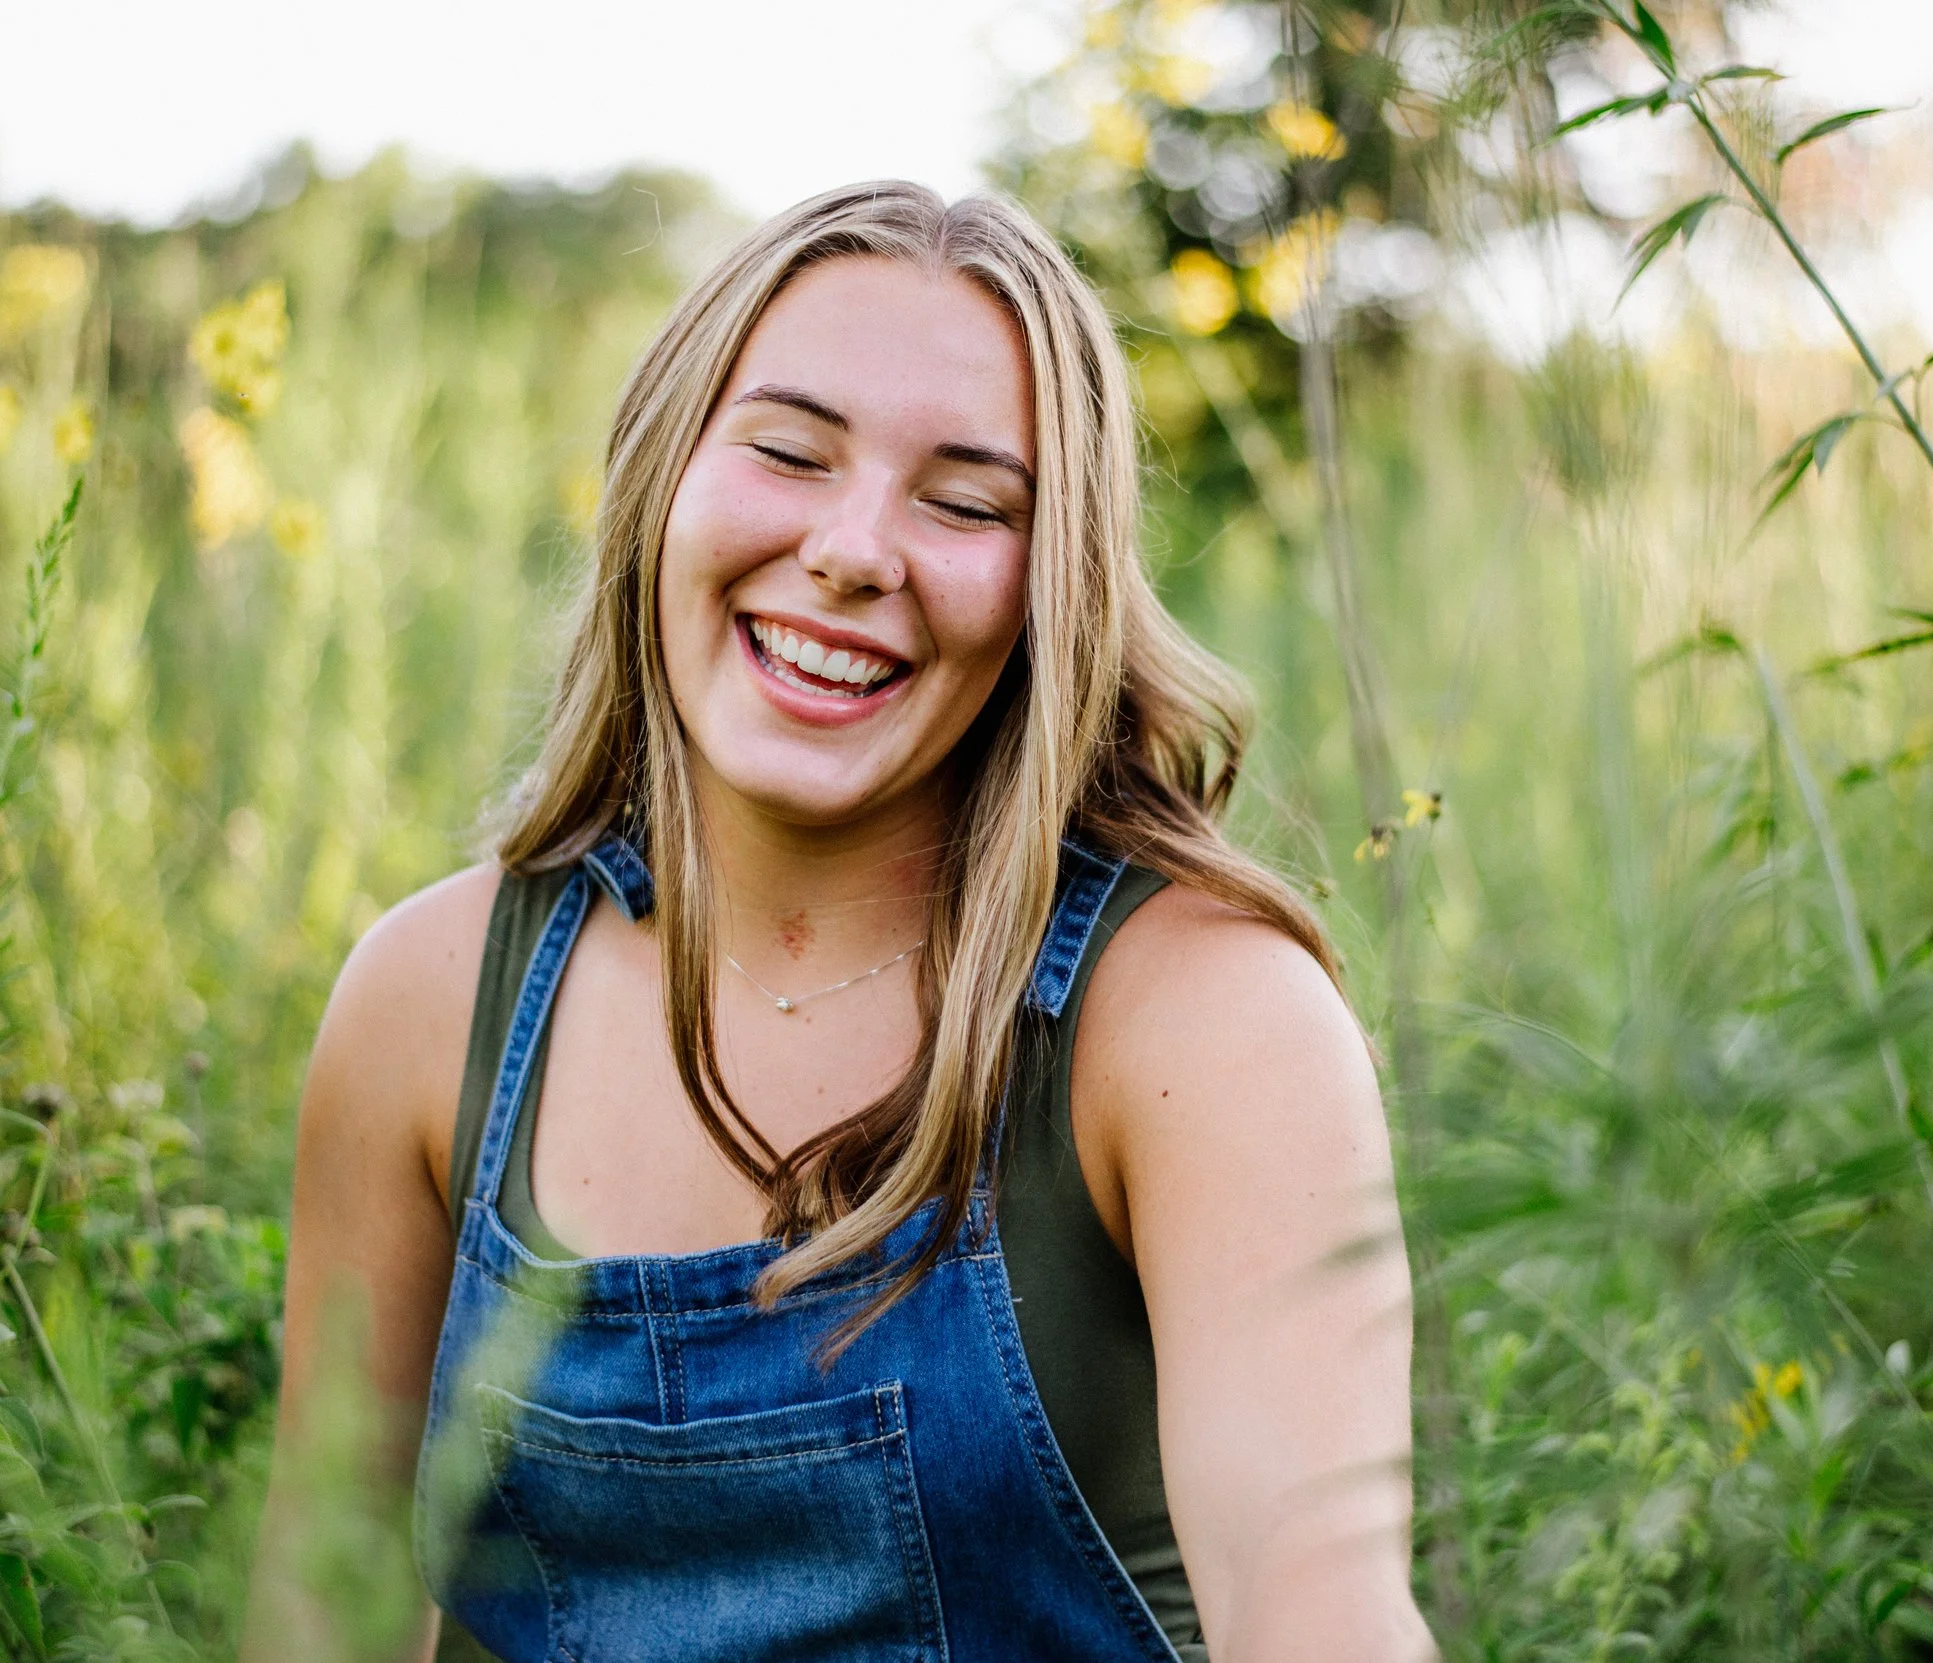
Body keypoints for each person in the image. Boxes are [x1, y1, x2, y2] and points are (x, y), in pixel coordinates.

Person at [256, 180, 1429, 1663]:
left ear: (1048, 585)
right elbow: (321, 1611)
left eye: (965, 502)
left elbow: (1315, 1612)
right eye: (788, 452)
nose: (854, 549)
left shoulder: (1202, 1023)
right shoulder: (431, 1000)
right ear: (660, 479)